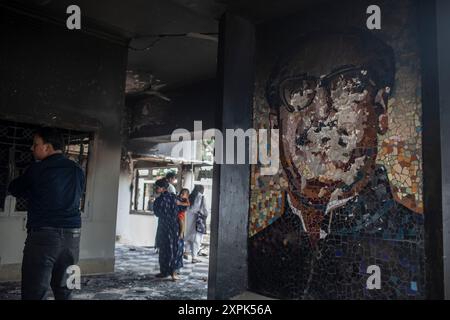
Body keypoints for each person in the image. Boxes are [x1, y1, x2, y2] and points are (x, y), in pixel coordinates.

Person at [249, 29, 424, 299]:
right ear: (276, 123)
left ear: (381, 111)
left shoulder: (420, 245)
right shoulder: (255, 252)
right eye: (299, 92)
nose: (321, 113)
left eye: (348, 87)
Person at [8, 127, 85, 300]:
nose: (32, 148)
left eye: (35, 144)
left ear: (47, 147)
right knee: (67, 289)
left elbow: (15, 188)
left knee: (33, 292)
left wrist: (32, 191)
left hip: (44, 238)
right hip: (73, 238)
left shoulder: (38, 169)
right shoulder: (77, 170)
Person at [152, 178, 180, 281]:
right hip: (173, 226)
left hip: (164, 226)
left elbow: (156, 213)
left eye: (157, 187)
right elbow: (177, 211)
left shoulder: (159, 200)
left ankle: (164, 272)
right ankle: (172, 273)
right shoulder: (174, 198)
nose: (156, 189)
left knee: (163, 249)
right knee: (172, 249)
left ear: (163, 188)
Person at [185, 185, 208, 263]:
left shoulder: (190, 196)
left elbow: (187, 208)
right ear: (201, 190)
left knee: (188, 236)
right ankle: (194, 257)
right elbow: (205, 210)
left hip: (188, 218)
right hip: (197, 219)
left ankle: (186, 252)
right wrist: (205, 215)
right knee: (197, 239)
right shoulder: (201, 197)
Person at [174, 188, 190, 272]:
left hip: (181, 214)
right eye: (181, 193)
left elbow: (187, 204)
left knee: (181, 223)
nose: (181, 195)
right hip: (177, 214)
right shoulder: (178, 197)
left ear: (187, 195)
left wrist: (180, 203)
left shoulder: (185, 200)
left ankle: (181, 233)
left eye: (184, 194)